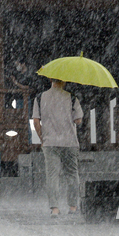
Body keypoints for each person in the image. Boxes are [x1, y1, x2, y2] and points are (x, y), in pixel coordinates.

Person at [32, 78, 83, 218]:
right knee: (72, 174)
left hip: (50, 142)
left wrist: (42, 138)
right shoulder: (72, 98)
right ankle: (73, 207)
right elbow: (78, 120)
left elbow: (36, 121)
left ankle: (54, 208)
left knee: (52, 176)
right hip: (69, 142)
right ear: (65, 81)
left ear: (50, 79)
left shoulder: (40, 97)